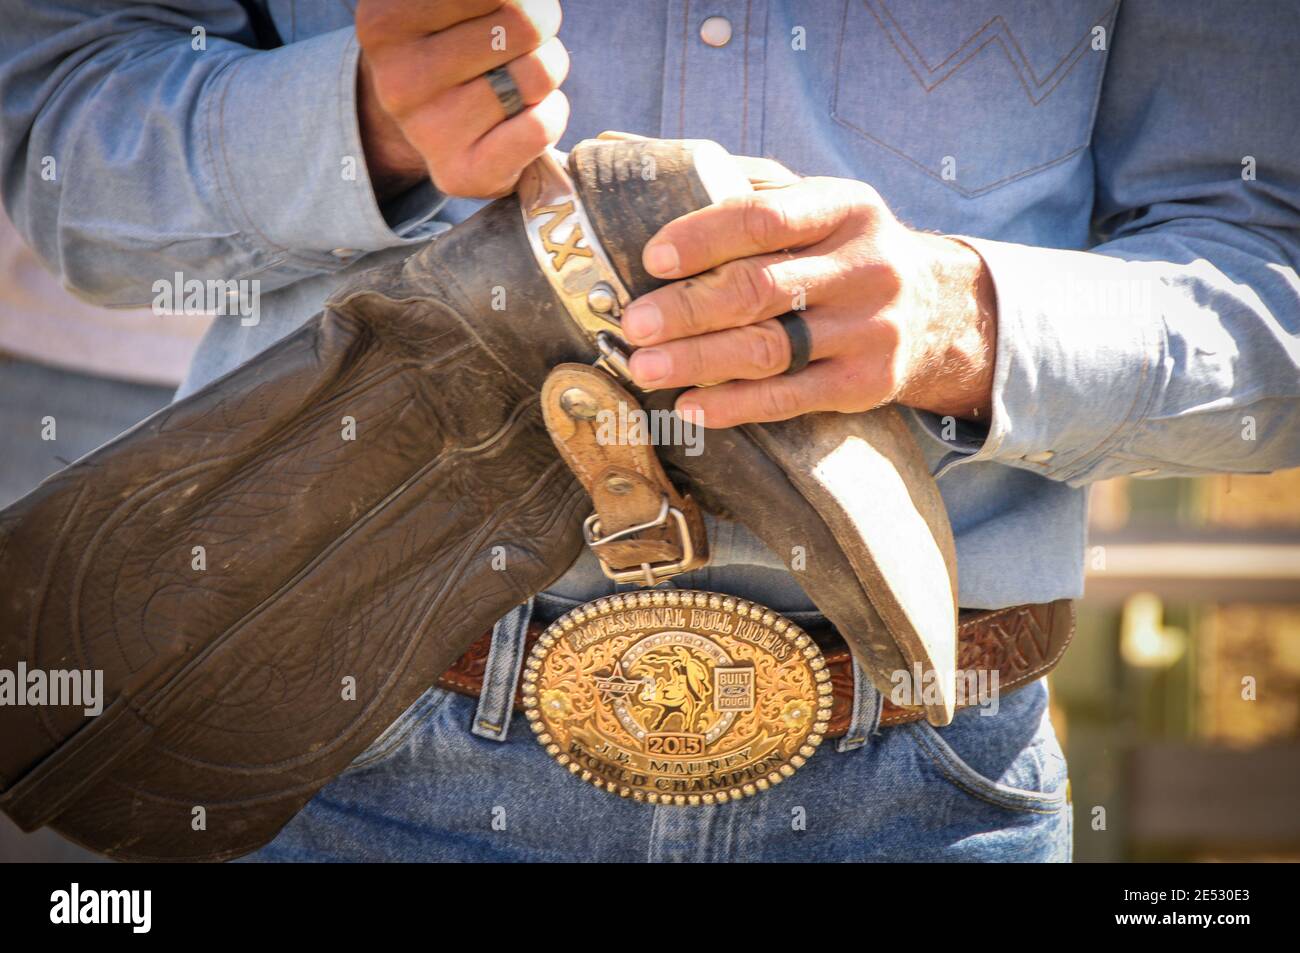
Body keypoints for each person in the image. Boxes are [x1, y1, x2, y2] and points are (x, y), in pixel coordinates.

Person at [0, 0, 1296, 862]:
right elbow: (54, 127)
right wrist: (356, 124)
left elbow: (1271, 287)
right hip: (358, 735)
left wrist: (972, 317)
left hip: (930, 789)